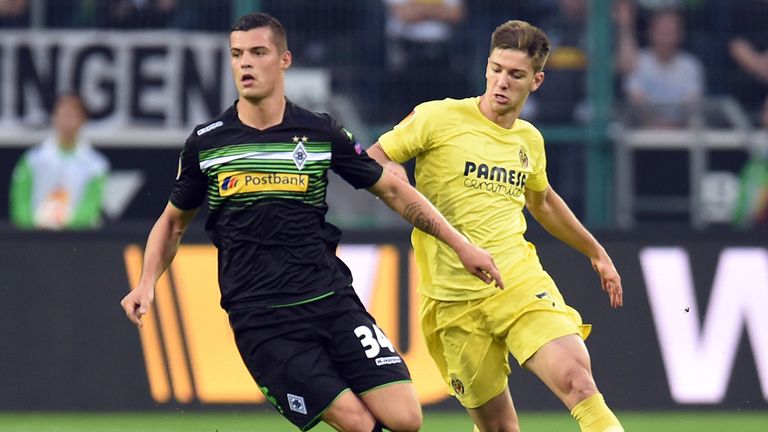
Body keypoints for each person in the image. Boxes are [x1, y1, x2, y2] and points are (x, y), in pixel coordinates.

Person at [119, 12, 503, 432]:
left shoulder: (318, 132)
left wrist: (461, 244)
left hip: (331, 299)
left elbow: (393, 189)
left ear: (284, 60)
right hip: (262, 319)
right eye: (237, 54)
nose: (245, 63)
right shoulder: (208, 143)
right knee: (358, 424)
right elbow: (173, 222)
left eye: (258, 52)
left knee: (406, 418)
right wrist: (146, 282)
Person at [367, 20, 624, 432]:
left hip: (517, 282)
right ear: (486, 67)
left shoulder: (529, 140)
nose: (502, 82)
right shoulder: (437, 117)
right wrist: (395, 178)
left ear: (535, 81)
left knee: (578, 382)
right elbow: (376, 157)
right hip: (452, 301)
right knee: (499, 428)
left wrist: (596, 251)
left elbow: (542, 202)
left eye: (516, 75)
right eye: (497, 69)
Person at [9, 93, 109, 230]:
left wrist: (64, 224)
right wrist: (36, 223)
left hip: (76, 240)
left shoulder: (96, 165)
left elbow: (91, 207)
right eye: (62, 114)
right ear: (54, 117)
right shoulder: (32, 159)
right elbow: (20, 203)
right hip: (34, 237)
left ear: (82, 120)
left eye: (71, 115)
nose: (66, 120)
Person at [616, 7, 705, 128]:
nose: (666, 38)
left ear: (680, 34)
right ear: (651, 32)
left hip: (681, 133)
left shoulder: (691, 65)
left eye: (671, 32)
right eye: (662, 32)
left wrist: (672, 127)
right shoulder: (638, 61)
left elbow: (692, 102)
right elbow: (635, 99)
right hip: (643, 132)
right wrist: (656, 125)